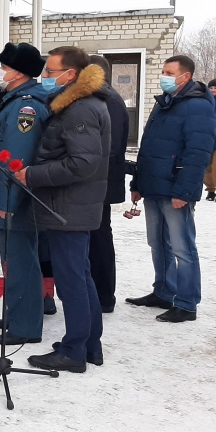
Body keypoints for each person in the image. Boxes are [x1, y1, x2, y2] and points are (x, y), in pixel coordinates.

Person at [15, 46, 111, 373]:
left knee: (72, 281)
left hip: (68, 207)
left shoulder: (79, 109)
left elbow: (82, 163)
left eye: (50, 72)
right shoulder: (78, 104)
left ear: (70, 75)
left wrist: (34, 174)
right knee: (80, 276)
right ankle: (88, 344)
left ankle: (73, 351)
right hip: (72, 205)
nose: (44, 78)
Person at [126, 55, 216, 322]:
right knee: (158, 243)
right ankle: (164, 291)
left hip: (175, 189)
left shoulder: (197, 106)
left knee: (182, 248)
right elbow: (148, 148)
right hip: (153, 186)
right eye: (163, 71)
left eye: (168, 72)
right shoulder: (164, 103)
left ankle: (187, 303)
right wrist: (138, 182)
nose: (162, 76)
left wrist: (184, 191)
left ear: (185, 77)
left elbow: (198, 153)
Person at [0, 42, 50, 346]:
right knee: (15, 260)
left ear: (20, 72)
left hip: (16, 199)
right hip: (10, 197)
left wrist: (8, 202)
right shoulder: (15, 100)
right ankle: (18, 311)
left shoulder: (26, 108)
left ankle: (25, 325)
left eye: (6, 67)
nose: (2, 72)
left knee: (21, 261)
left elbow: (17, 160)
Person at [87, 55, 130, 313]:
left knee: (100, 238)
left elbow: (108, 148)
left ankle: (104, 296)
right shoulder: (106, 97)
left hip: (100, 183)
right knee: (97, 237)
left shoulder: (108, 100)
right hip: (100, 181)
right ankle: (100, 294)